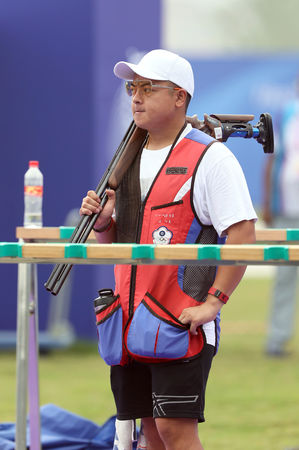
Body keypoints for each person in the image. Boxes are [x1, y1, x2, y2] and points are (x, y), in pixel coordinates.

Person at [80, 49, 257, 450]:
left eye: (148, 88)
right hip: (129, 321)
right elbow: (117, 244)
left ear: (180, 97)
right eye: (132, 87)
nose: (136, 97)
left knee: (176, 432)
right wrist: (104, 222)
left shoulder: (211, 157)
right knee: (150, 434)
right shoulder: (125, 160)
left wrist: (213, 303)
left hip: (180, 321)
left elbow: (243, 234)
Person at [263, 75, 299, 357]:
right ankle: (276, 340)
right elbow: (273, 158)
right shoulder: (287, 113)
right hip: (288, 207)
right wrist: (268, 202)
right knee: (286, 277)